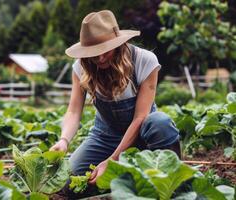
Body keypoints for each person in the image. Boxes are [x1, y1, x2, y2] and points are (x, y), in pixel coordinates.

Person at [50, 10, 180, 185]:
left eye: (105, 50)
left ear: (117, 44)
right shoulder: (80, 68)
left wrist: (112, 161)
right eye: (93, 52)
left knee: (160, 122)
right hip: (105, 137)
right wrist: (64, 141)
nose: (100, 58)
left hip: (142, 134)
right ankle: (121, 182)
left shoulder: (145, 61)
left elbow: (140, 117)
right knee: (68, 183)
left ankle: (171, 179)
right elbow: (73, 111)